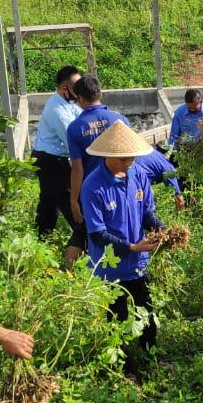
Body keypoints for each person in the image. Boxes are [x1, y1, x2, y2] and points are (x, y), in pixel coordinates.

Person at [80, 121, 167, 379]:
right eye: (124, 158)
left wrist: (161, 229)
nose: (129, 161)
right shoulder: (93, 186)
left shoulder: (138, 175)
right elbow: (96, 234)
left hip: (138, 264)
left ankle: (151, 357)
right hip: (111, 269)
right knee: (116, 320)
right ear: (110, 156)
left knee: (147, 313)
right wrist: (131, 246)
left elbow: (147, 213)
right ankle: (125, 370)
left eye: (132, 157)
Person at [66, 75, 130, 268]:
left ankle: (69, 278)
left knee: (83, 231)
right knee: (120, 229)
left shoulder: (75, 128)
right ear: (99, 94)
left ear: (81, 99)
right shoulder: (120, 120)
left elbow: (77, 167)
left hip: (93, 190)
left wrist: (74, 199)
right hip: (121, 186)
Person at [32, 66, 82, 237]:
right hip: (50, 160)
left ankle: (42, 236)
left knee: (49, 201)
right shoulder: (58, 111)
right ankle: (84, 237)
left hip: (48, 156)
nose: (80, 89)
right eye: (77, 86)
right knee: (70, 199)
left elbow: (81, 115)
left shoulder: (69, 102)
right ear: (64, 89)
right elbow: (73, 143)